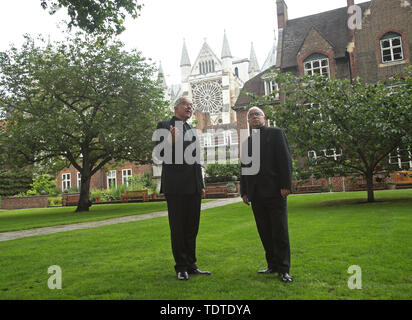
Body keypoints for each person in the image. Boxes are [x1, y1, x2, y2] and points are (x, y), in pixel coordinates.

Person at [155, 96, 211, 281]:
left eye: (191, 105)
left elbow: (196, 161)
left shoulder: (192, 129)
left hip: (193, 186)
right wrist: (170, 140)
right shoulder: (164, 125)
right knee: (178, 228)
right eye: (186, 104)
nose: (190, 107)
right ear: (176, 107)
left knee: (192, 228)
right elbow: (160, 154)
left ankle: (191, 264)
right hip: (176, 187)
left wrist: (200, 185)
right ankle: (181, 267)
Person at [240, 106, 293, 282]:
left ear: (264, 118)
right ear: (248, 121)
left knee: (280, 231)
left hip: (275, 191)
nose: (254, 117)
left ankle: (284, 269)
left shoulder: (276, 133)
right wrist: (244, 191)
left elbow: (285, 160)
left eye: (257, 114)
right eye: (251, 115)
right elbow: (244, 169)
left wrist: (286, 185)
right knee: (264, 231)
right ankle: (272, 265)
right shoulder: (247, 142)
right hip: (256, 194)